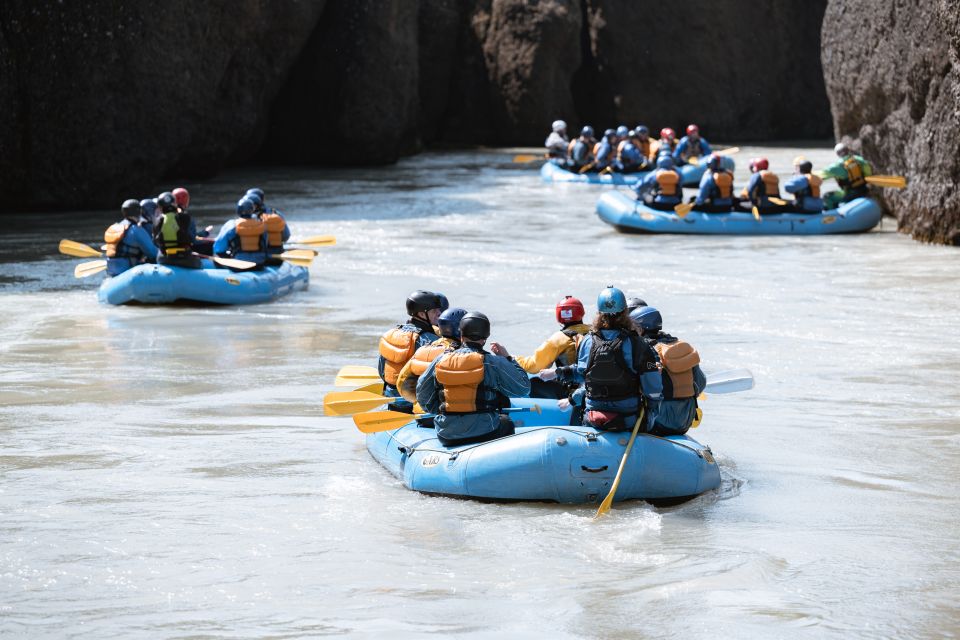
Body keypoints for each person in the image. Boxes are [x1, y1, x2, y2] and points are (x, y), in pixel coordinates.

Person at [538, 286, 662, 433]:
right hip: (628, 419)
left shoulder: (587, 341)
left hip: (593, 419)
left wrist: (557, 372)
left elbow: (581, 373)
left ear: (599, 314)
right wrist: (652, 410)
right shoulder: (637, 344)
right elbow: (653, 389)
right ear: (625, 313)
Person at [417, 311, 531, 446]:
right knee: (506, 422)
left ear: (461, 335)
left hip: (446, 434)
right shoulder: (492, 362)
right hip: (486, 432)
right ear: (485, 338)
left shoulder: (441, 360)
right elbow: (523, 388)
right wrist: (508, 359)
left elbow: (422, 395)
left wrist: (443, 411)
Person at [630, 306, 706, 435]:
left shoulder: (643, 349)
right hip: (685, 421)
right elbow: (700, 383)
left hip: (657, 422)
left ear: (640, 329)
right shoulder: (680, 347)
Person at [378, 290, 449, 412]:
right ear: (422, 315)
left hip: (393, 400)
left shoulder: (391, 335)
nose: (439, 313)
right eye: (434, 311)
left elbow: (382, 371)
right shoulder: (431, 341)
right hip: (414, 405)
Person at [516, 296, 590, 400]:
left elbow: (534, 366)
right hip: (592, 387)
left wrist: (509, 358)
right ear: (581, 312)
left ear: (559, 316)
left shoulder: (559, 338)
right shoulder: (594, 332)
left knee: (533, 383)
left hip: (573, 392)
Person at [396, 307, 467, 405]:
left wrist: (418, 403)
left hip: (420, 410)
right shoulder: (461, 354)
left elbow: (401, 383)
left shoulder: (425, 348)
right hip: (443, 414)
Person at [103, 199, 159, 276]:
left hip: (112, 270)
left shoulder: (115, 227)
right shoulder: (136, 230)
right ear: (139, 211)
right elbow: (153, 253)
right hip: (127, 271)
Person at [212, 198, 269, 266]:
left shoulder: (231, 225)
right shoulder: (262, 225)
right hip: (259, 263)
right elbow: (265, 244)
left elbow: (218, 249)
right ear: (252, 210)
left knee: (218, 256)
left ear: (238, 210)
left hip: (239, 264)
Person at [153, 191, 201, 267]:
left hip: (164, 259)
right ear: (175, 203)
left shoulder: (156, 220)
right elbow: (192, 239)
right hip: (185, 258)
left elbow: (155, 242)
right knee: (199, 263)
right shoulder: (185, 217)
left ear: (160, 207)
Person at [820, 142, 873, 207]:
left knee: (827, 196)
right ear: (848, 150)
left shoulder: (836, 166)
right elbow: (868, 172)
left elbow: (822, 175)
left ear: (837, 154)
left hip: (849, 193)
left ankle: (831, 215)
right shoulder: (859, 160)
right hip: (863, 189)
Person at [244, 188, 290, 258]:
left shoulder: (245, 218)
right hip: (276, 253)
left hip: (256, 255)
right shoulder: (276, 214)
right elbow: (286, 236)